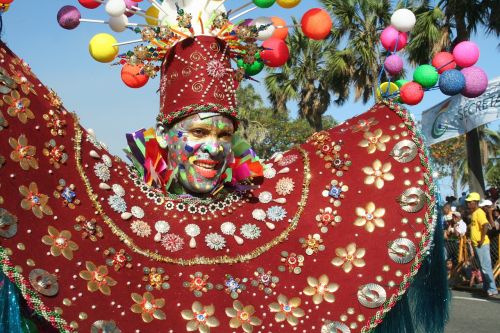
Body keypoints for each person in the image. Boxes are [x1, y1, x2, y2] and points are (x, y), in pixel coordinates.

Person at [0, 2, 448, 332]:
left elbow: (337, 172)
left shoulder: (265, 201)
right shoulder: (118, 203)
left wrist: (385, 121)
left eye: (222, 135)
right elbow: (53, 153)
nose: (212, 149)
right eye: (197, 132)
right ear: (165, 136)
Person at [466, 192, 499, 297]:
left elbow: (485, 225)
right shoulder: (474, 213)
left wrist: (481, 239)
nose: (468, 204)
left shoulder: (479, 212)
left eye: (470, 202)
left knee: (486, 267)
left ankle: (492, 289)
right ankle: (486, 287)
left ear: (475, 202)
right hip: (477, 245)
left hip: (482, 244)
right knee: (482, 266)